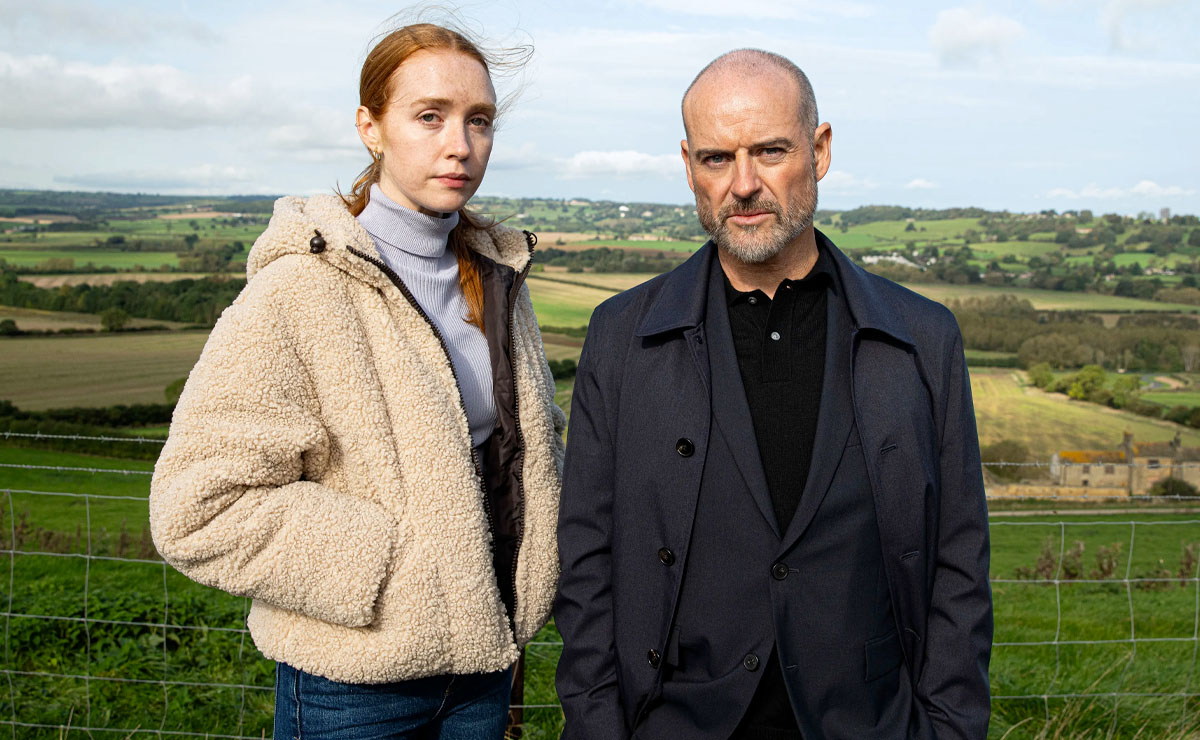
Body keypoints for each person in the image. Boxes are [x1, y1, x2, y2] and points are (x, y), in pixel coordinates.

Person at [554, 48, 992, 740]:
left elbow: (959, 561)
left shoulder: (922, 339)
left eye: (770, 151)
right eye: (716, 158)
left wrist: (949, 729)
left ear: (820, 151)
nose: (744, 184)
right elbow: (585, 558)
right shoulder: (622, 336)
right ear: (689, 166)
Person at [149, 22, 565, 739]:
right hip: (353, 685)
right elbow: (195, 508)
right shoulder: (300, 290)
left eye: (479, 120)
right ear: (370, 128)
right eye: (429, 116)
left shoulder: (499, 280)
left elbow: (522, 457)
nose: (460, 145)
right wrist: (395, 570)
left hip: (486, 671)